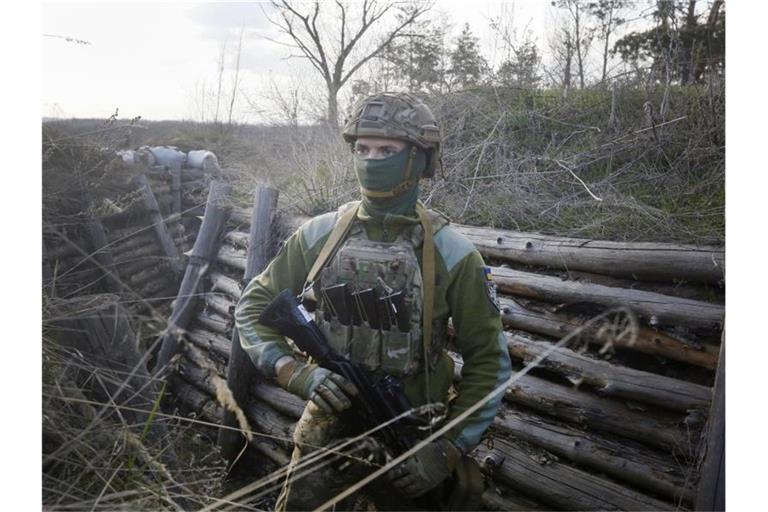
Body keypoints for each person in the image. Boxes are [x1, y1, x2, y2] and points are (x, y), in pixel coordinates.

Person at [235, 91, 511, 510]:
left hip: (410, 440)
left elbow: (489, 363)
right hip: (327, 433)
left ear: (418, 159)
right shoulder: (319, 235)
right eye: (362, 148)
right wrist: (295, 373)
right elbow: (253, 308)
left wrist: (444, 450)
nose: (370, 159)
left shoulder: (452, 253)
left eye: (386, 149)